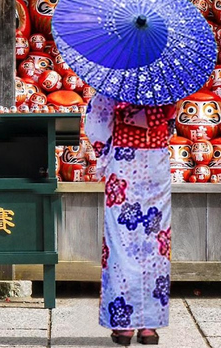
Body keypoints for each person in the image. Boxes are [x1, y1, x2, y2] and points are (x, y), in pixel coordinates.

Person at [84, 92, 177, 346]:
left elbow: (97, 122)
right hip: (156, 161)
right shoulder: (165, 80)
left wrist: (104, 154)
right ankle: (149, 327)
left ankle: (123, 326)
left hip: (125, 161)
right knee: (155, 242)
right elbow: (170, 126)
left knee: (122, 242)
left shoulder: (117, 79)